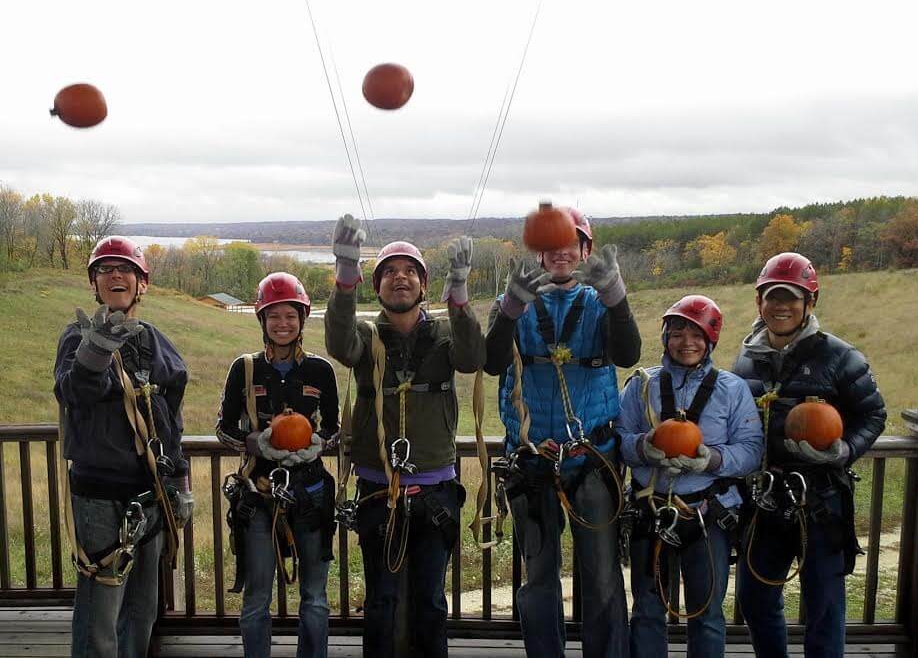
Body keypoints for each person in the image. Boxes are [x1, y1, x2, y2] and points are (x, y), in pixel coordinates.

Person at [324, 214, 485, 658]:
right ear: (376, 287)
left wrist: (460, 294)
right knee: (381, 599)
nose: (400, 278)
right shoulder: (365, 335)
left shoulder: (446, 334)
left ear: (423, 286)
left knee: (431, 602)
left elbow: (472, 358)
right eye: (390, 272)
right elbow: (339, 345)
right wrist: (344, 275)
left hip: (435, 490)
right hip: (379, 487)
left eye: (410, 271)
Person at [483, 206, 641, 658]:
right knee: (539, 577)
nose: (560, 254)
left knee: (602, 576)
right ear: (538, 254)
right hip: (532, 459)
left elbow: (627, 353)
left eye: (571, 245)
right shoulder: (513, 303)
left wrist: (615, 296)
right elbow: (493, 363)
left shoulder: (598, 303)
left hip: (591, 457)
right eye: (551, 247)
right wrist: (510, 309)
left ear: (585, 251)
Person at [734, 252, 886, 658]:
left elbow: (873, 414)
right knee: (755, 598)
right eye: (772, 296)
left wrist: (845, 449)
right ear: (759, 302)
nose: (780, 306)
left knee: (825, 604)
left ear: (810, 303)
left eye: (792, 298)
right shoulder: (746, 357)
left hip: (821, 498)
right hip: (765, 500)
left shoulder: (840, 356)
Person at [54, 235, 193, 658]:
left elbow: (171, 418)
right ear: (94, 285)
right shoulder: (75, 336)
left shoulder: (155, 343)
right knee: (101, 613)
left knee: (141, 608)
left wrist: (180, 481)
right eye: (105, 270)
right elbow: (73, 393)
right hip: (98, 494)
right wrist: (94, 352)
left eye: (126, 269)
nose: (116, 275)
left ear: (142, 284)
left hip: (150, 492)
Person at [616, 295, 763, 658]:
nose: (686, 343)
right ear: (666, 337)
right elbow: (618, 437)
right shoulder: (642, 385)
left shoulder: (731, 389)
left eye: (696, 334)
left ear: (710, 339)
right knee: (648, 611)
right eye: (678, 333)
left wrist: (712, 459)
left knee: (708, 613)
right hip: (652, 511)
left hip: (707, 512)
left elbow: (751, 448)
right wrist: (641, 447)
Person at [217, 271, 339, 658]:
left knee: (315, 597)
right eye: (274, 316)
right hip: (259, 493)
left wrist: (316, 444)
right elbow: (223, 428)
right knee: (256, 597)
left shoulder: (320, 371)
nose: (282, 324)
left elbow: (334, 429)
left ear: (302, 319)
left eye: (290, 316)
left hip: (311, 492)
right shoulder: (246, 369)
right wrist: (253, 442)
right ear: (262, 320)